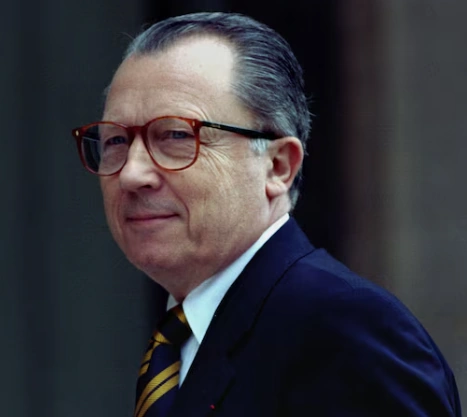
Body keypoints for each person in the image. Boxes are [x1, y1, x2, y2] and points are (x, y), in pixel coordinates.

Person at [71, 12, 461, 417]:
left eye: (175, 135)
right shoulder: (181, 342)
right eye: (115, 140)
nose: (132, 174)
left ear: (277, 166)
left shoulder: (347, 331)